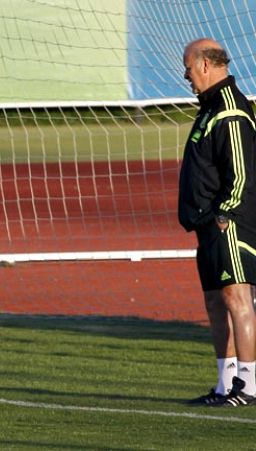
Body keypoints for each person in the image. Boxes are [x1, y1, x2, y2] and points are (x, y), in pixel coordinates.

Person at [179, 38, 256, 407]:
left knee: (236, 296)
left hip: (229, 223)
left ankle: (250, 384)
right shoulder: (208, 109)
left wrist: (224, 214)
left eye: (189, 69)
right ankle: (225, 384)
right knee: (215, 301)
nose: (187, 77)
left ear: (206, 65)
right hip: (207, 224)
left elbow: (240, 172)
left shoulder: (230, 109)